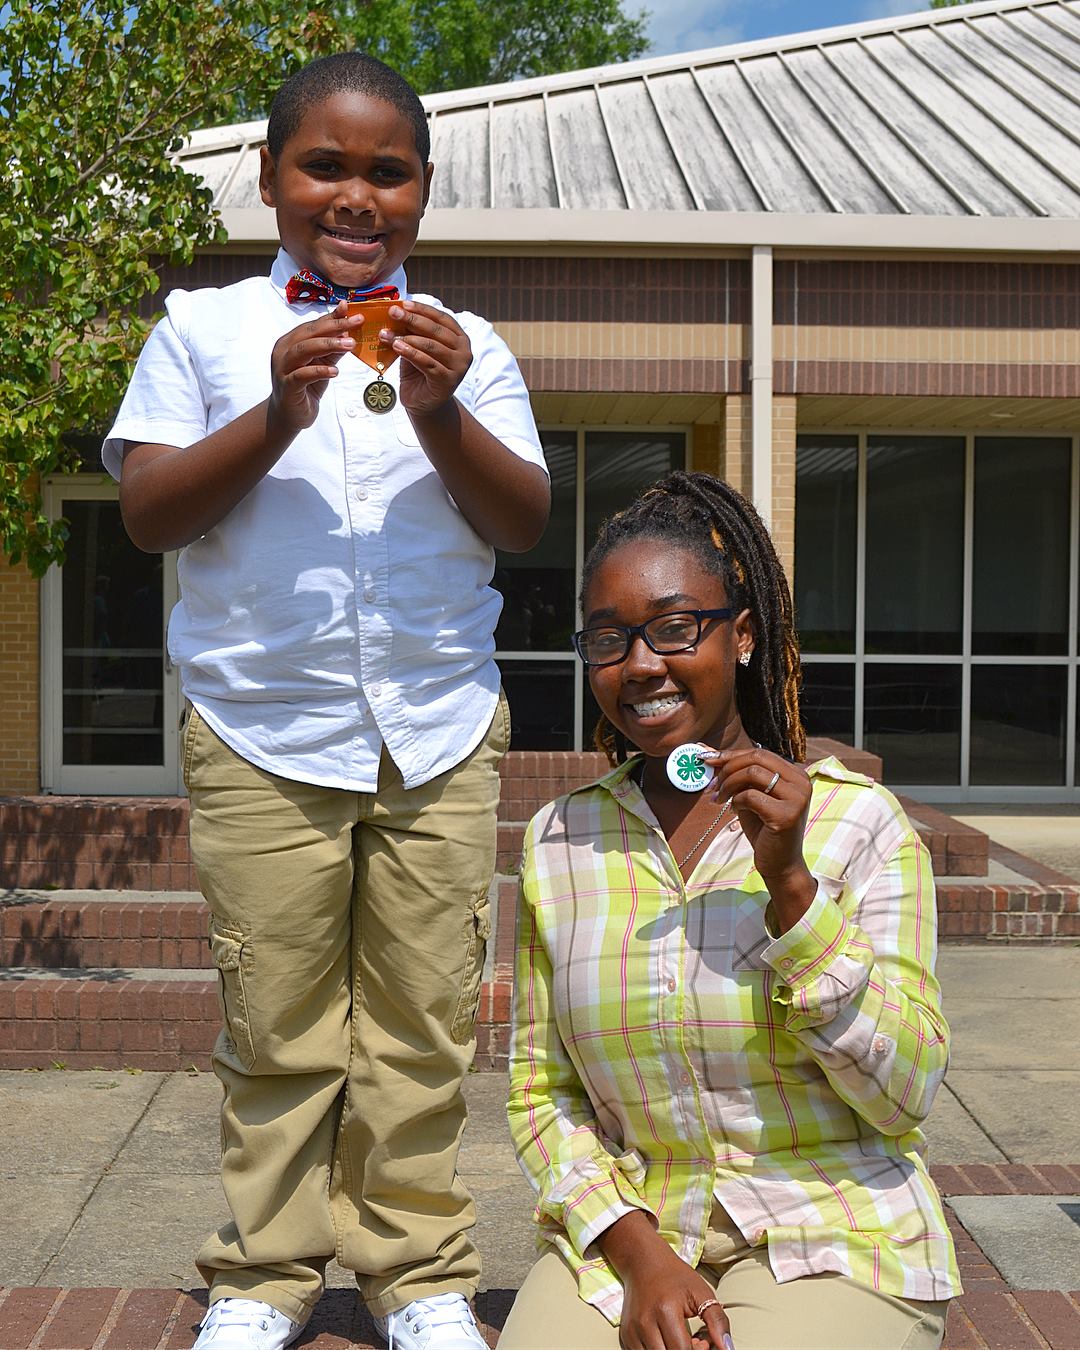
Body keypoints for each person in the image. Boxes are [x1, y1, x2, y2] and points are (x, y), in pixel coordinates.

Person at [102, 52, 550, 1350]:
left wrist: (441, 402)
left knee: (418, 1023)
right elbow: (146, 514)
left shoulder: (470, 346)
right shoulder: (205, 331)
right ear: (269, 180)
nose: (356, 195)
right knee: (278, 1021)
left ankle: (417, 1276)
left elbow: (521, 518)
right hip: (261, 729)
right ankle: (264, 1274)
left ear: (421, 191)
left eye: (387, 171)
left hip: (438, 724)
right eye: (325, 165)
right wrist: (278, 414)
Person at [502, 471, 959, 1350]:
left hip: (832, 1228)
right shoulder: (559, 840)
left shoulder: (858, 822)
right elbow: (539, 1092)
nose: (641, 664)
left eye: (674, 628)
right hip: (635, 1228)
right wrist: (640, 1258)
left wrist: (792, 893)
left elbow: (904, 1096)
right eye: (608, 640)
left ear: (742, 635)